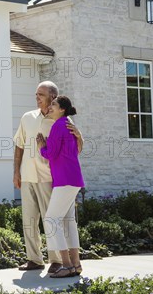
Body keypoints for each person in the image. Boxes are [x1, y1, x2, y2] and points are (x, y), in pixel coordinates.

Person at [13, 81, 83, 273]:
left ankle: (58, 260)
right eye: (36, 94)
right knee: (29, 220)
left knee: (51, 219)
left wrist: (81, 137)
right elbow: (19, 145)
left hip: (50, 178)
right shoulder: (27, 117)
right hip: (28, 176)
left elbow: (76, 149)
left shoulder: (61, 121)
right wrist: (16, 172)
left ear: (53, 98)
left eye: (41, 95)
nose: (37, 98)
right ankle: (34, 259)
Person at [37, 95, 85, 278]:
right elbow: (76, 149)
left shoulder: (58, 125)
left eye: (54, 105)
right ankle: (76, 264)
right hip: (73, 178)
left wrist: (42, 146)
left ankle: (66, 264)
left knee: (51, 220)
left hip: (65, 179)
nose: (50, 107)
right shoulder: (68, 123)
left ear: (62, 109)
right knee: (69, 221)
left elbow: (51, 154)